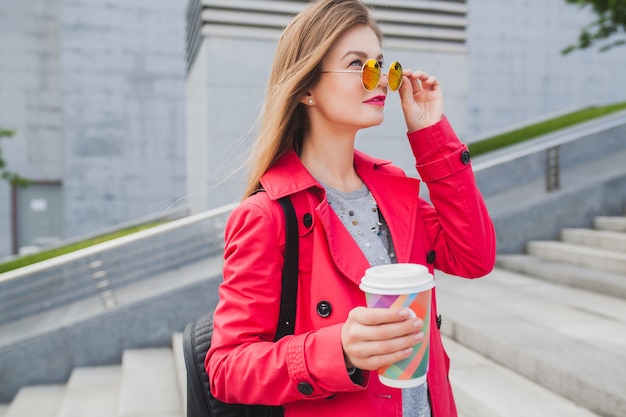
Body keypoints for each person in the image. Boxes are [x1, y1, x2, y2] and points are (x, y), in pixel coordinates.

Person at [205, 1, 496, 416]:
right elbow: (226, 367)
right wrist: (337, 348)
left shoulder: (394, 193)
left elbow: (475, 257)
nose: (377, 81)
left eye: (381, 65)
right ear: (306, 88)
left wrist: (432, 134)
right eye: (358, 64)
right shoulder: (268, 215)